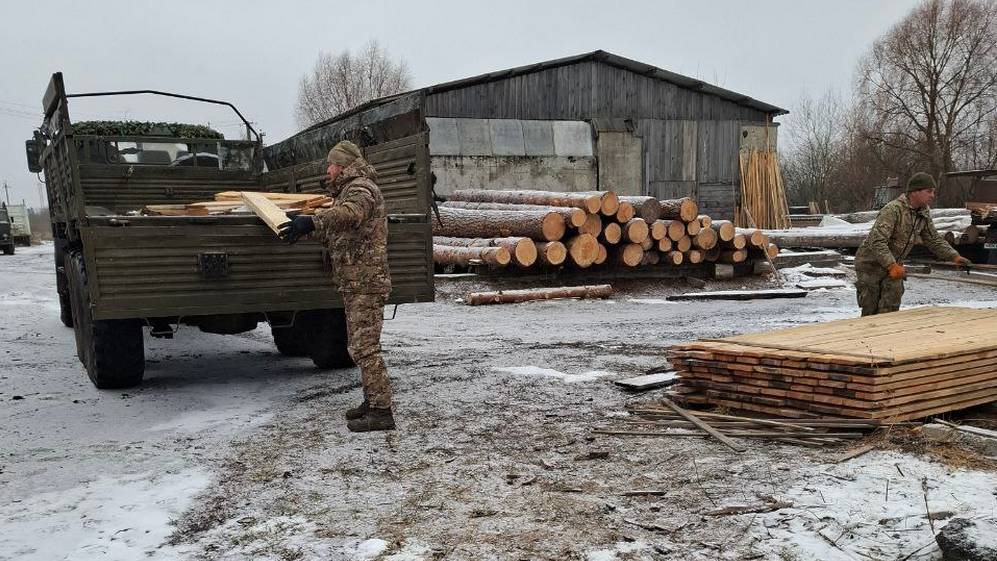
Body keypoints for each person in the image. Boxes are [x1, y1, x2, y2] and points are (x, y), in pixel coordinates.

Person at [278, 140, 395, 432]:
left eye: (331, 164)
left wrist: (312, 222)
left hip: (366, 283)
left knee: (365, 348)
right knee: (359, 346)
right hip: (356, 282)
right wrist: (302, 226)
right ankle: (372, 402)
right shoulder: (349, 189)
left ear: (342, 165)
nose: (328, 170)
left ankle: (382, 412)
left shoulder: (361, 189)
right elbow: (340, 232)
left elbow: (349, 214)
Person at [854, 172, 971, 316]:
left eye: (933, 192)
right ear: (915, 192)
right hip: (870, 264)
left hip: (895, 265)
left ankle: (886, 336)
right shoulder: (893, 210)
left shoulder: (923, 213)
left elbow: (933, 239)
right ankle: (866, 337)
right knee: (870, 308)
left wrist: (954, 257)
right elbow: (877, 241)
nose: (932, 195)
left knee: (890, 307)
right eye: (929, 191)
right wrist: (891, 265)